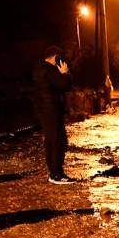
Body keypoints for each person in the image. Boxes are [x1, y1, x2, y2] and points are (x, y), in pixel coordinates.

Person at [33, 46, 75, 184]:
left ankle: (54, 172)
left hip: (45, 110)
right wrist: (65, 73)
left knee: (52, 140)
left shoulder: (39, 69)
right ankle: (56, 174)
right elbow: (65, 85)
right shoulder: (49, 71)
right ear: (55, 57)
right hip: (52, 110)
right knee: (58, 141)